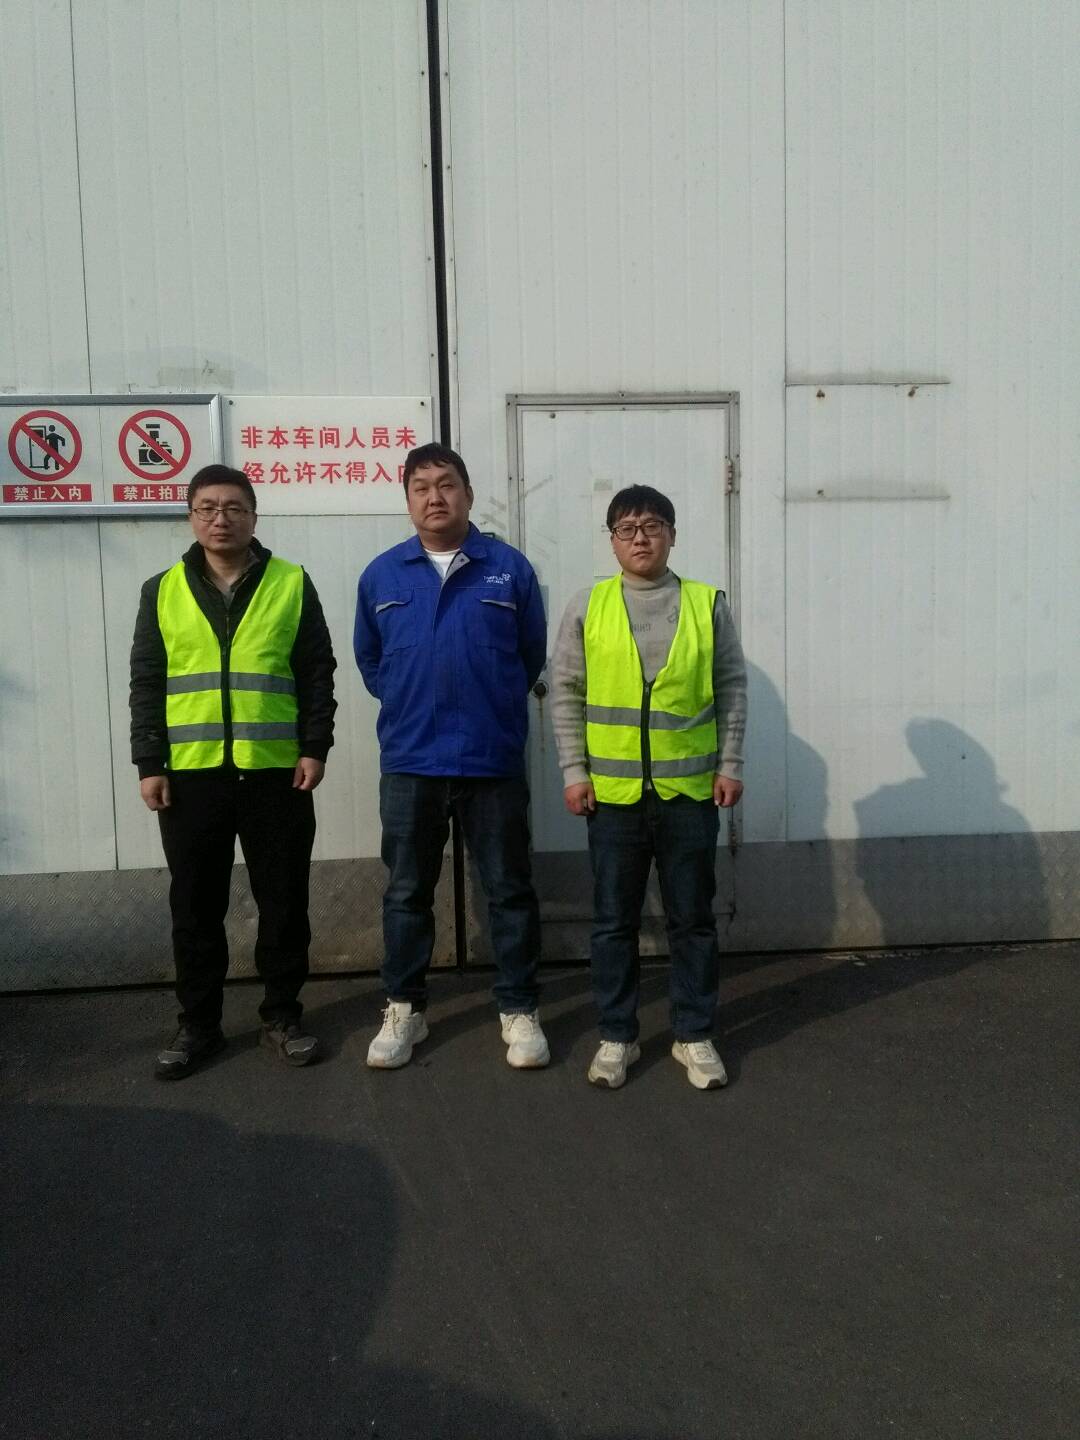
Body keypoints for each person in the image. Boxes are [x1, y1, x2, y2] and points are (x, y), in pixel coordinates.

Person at [130, 464, 337, 1079]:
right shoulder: (161, 590)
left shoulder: (291, 582)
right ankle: (198, 1025)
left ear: (253, 516)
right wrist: (150, 762)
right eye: (207, 508)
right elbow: (148, 682)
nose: (221, 519)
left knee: (283, 901)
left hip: (276, 773)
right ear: (191, 517)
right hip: (191, 776)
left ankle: (282, 1016)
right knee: (195, 907)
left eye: (234, 508)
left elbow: (317, 672)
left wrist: (314, 747)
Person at [354, 442, 548, 1070]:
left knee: (509, 889)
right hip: (411, 759)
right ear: (407, 499)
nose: (434, 497)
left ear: (468, 493)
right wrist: (411, 699)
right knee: (406, 892)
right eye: (421, 487)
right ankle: (405, 1009)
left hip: (491, 758)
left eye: (446, 484)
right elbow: (370, 661)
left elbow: (530, 655)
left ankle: (519, 1008)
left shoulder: (508, 570)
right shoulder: (382, 575)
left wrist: (489, 702)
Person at [550, 484, 747, 1090]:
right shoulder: (589, 605)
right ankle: (617, 1037)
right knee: (614, 923)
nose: (641, 537)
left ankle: (694, 1034)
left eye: (653, 525)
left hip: (690, 794)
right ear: (612, 540)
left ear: (672, 535)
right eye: (627, 528)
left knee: (693, 921)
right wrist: (574, 772)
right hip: (612, 799)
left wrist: (730, 764)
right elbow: (566, 693)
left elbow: (732, 688)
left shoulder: (705, 604)